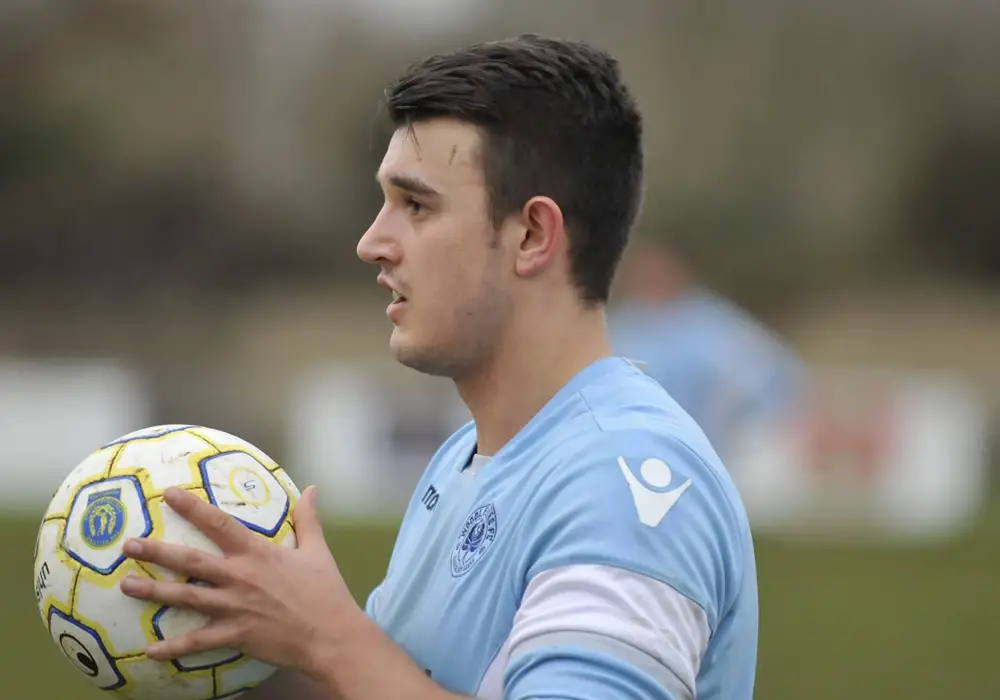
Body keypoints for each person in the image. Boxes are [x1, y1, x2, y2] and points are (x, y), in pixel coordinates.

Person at [118, 35, 759, 700]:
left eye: (416, 205)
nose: (372, 243)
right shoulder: (469, 458)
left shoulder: (624, 479)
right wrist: (259, 652)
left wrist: (329, 638)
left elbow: (356, 659)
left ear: (534, 236)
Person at [609, 240, 807, 461]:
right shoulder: (624, 327)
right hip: (648, 444)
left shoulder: (711, 323)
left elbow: (770, 373)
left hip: (724, 446)